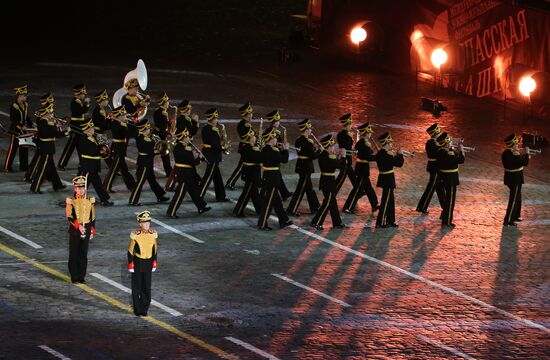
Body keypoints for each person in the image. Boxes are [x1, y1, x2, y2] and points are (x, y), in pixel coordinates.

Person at [166, 128, 211, 218]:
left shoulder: (179, 147)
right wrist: (200, 158)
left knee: (193, 190)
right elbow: (192, 162)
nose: (188, 139)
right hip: (184, 174)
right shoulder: (185, 148)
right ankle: (171, 212)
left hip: (185, 172)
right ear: (182, 138)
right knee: (180, 193)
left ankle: (201, 207)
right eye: (186, 137)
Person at [257, 128, 293, 230]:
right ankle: (262, 223)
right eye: (274, 138)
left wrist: (281, 150)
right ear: (270, 139)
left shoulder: (265, 149)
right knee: (269, 203)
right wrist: (286, 149)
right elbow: (284, 159)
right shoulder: (272, 150)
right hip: (272, 179)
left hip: (268, 177)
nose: (276, 140)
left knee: (277, 202)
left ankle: (283, 220)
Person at [310, 134, 347, 230]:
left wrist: (337, 157)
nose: (334, 148)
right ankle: (317, 221)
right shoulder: (330, 157)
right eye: (332, 146)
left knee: (332, 203)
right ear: (329, 146)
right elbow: (341, 167)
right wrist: (343, 157)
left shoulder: (323, 155)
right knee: (327, 203)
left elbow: (333, 164)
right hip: (329, 183)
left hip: (325, 181)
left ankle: (337, 222)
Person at [128, 122, 170, 205]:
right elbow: (150, 150)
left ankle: (160, 195)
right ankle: (133, 200)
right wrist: (158, 150)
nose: (149, 130)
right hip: (144, 163)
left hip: (148, 162)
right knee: (140, 182)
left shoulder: (145, 137)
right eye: (147, 129)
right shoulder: (141, 139)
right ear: (143, 130)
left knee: (152, 180)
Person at [286, 118, 320, 217]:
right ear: (306, 129)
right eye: (309, 129)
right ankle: (291, 209)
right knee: (300, 190)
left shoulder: (298, 140)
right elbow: (312, 156)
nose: (311, 131)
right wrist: (319, 151)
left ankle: (315, 206)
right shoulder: (308, 142)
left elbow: (303, 152)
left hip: (301, 165)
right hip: (306, 167)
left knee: (309, 188)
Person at [343, 122, 378, 214]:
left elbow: (369, 154)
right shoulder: (363, 144)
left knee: (368, 188)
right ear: (365, 133)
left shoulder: (365, 143)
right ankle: (348, 207)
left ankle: (375, 204)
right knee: (357, 189)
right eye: (369, 132)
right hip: (362, 169)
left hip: (363, 168)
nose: (370, 134)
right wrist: (379, 156)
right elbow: (369, 157)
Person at [66, 175, 96, 283]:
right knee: (74, 253)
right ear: (75, 189)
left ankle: (81, 275)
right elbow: (69, 216)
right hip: (75, 229)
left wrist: (92, 229)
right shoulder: (71, 200)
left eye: (83, 188)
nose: (81, 190)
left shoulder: (89, 200)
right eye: (79, 188)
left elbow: (92, 216)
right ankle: (74, 275)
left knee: (83, 253)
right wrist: (78, 226)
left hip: (86, 228)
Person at [30, 104, 66, 193]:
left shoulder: (46, 121)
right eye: (50, 113)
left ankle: (57, 184)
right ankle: (35, 188)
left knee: (52, 168)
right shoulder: (43, 122)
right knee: (42, 169)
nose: (52, 115)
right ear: (45, 114)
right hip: (46, 148)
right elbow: (52, 133)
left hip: (48, 147)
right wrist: (65, 133)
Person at [127, 210, 157, 316]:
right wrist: (130, 263)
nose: (147, 225)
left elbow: (155, 249)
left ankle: (145, 308)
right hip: (138, 262)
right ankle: (137, 308)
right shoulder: (136, 235)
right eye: (144, 223)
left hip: (148, 262)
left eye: (148, 223)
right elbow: (130, 251)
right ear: (140, 224)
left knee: (146, 286)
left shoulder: (153, 235)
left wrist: (154, 261)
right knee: (137, 286)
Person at [374, 132, 404, 228]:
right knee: (386, 201)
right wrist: (400, 155)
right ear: (386, 143)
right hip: (388, 180)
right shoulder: (387, 155)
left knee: (390, 200)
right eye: (390, 143)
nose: (392, 144)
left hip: (385, 179)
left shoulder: (381, 153)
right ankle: (381, 222)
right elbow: (399, 164)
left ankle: (391, 221)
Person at [103, 106, 136, 192]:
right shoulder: (117, 124)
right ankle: (106, 187)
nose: (125, 117)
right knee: (114, 170)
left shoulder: (117, 123)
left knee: (123, 169)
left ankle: (131, 185)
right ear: (119, 116)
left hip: (118, 147)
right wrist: (134, 125)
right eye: (124, 115)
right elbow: (130, 133)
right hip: (118, 149)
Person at [198, 108, 229, 202]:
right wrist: (223, 148)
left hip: (212, 155)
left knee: (217, 177)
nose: (217, 121)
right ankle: (199, 196)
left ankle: (221, 196)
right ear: (212, 119)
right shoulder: (210, 130)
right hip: (212, 156)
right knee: (208, 177)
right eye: (216, 119)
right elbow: (215, 145)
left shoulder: (209, 129)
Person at [58, 83, 90, 170]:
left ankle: (82, 163)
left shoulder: (80, 102)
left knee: (81, 146)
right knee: (70, 147)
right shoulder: (74, 103)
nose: (84, 95)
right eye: (83, 94)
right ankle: (61, 164)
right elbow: (81, 112)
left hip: (80, 126)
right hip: (75, 126)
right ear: (78, 94)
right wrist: (86, 104)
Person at [262, 110, 293, 200]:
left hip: (276, 154)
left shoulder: (278, 132)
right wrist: (283, 149)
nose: (279, 123)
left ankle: (284, 193)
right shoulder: (268, 132)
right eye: (277, 121)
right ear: (273, 122)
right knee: (274, 177)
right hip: (272, 156)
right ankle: (283, 193)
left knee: (277, 176)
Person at [436, 132, 465, 227]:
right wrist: (461, 150)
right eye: (449, 142)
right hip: (451, 179)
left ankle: (445, 217)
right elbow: (461, 160)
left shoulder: (440, 151)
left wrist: (453, 149)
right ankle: (447, 221)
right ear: (445, 143)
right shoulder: (448, 154)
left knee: (448, 200)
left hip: (443, 178)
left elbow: (453, 154)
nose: (450, 143)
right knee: (450, 201)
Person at [233, 128, 263, 217]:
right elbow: (259, 159)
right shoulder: (249, 148)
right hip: (251, 174)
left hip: (251, 173)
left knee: (254, 193)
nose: (255, 138)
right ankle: (238, 210)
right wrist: (261, 150)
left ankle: (259, 209)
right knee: (246, 194)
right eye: (253, 136)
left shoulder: (249, 147)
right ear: (249, 138)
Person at [416, 123, 445, 214]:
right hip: (435, 168)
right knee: (431, 187)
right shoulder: (432, 143)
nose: (440, 134)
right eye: (439, 133)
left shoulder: (434, 143)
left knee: (439, 187)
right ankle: (422, 206)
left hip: (435, 167)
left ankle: (445, 206)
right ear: (435, 133)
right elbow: (438, 155)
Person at [502, 134, 530, 226]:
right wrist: (527, 154)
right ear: (512, 144)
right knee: (514, 199)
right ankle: (509, 219)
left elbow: (517, 161)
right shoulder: (514, 154)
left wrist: (520, 154)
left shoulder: (506, 153)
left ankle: (516, 216)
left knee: (517, 198)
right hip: (516, 179)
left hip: (511, 178)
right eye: (516, 144)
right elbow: (524, 163)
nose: (517, 146)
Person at [4, 85, 32, 173]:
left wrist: (30, 123)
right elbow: (13, 119)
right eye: (24, 95)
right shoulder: (14, 106)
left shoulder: (25, 104)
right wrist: (20, 126)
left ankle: (24, 166)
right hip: (15, 130)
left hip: (23, 130)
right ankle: (7, 167)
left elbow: (26, 115)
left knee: (24, 148)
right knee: (13, 149)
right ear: (19, 96)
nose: (26, 97)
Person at [225, 103, 254, 189]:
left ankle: (250, 180)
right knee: (241, 167)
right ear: (246, 116)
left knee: (248, 166)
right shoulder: (242, 125)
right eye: (250, 114)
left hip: (248, 148)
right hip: (245, 148)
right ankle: (230, 182)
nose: (252, 116)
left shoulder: (247, 124)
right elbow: (247, 137)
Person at [153, 92, 173, 176]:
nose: (169, 103)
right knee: (164, 153)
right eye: (168, 101)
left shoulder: (159, 111)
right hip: (161, 135)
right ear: (164, 102)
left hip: (158, 133)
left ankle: (169, 171)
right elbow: (162, 127)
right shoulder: (163, 113)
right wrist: (169, 133)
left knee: (160, 153)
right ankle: (169, 171)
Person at [91, 90, 112, 169]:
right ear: (101, 101)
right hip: (98, 133)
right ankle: (112, 167)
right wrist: (111, 123)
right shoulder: (99, 111)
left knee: (102, 150)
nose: (107, 101)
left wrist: (109, 119)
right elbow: (103, 125)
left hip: (99, 132)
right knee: (105, 151)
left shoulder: (102, 110)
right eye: (105, 100)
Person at [335, 113, 356, 192]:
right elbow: (344, 148)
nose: (351, 126)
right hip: (345, 158)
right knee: (342, 177)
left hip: (348, 158)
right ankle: (333, 191)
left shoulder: (345, 134)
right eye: (350, 124)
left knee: (351, 175)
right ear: (347, 124)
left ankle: (359, 190)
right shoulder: (344, 135)